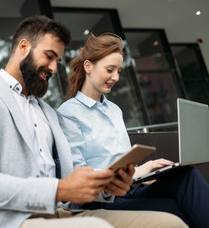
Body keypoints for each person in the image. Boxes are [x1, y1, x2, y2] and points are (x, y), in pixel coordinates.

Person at [0, 16, 187, 228]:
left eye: (58, 60)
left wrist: (107, 185)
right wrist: (61, 189)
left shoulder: (48, 113)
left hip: (60, 213)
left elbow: (71, 180)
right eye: (49, 56)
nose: (54, 68)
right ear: (24, 47)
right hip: (6, 220)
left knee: (170, 223)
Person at [57, 32, 209, 228]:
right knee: (177, 208)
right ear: (88, 66)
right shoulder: (68, 113)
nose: (116, 77)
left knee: (187, 176)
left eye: (119, 71)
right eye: (110, 69)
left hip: (129, 189)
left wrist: (142, 173)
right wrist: (136, 174)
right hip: (102, 201)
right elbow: (76, 175)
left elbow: (122, 160)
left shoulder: (114, 110)